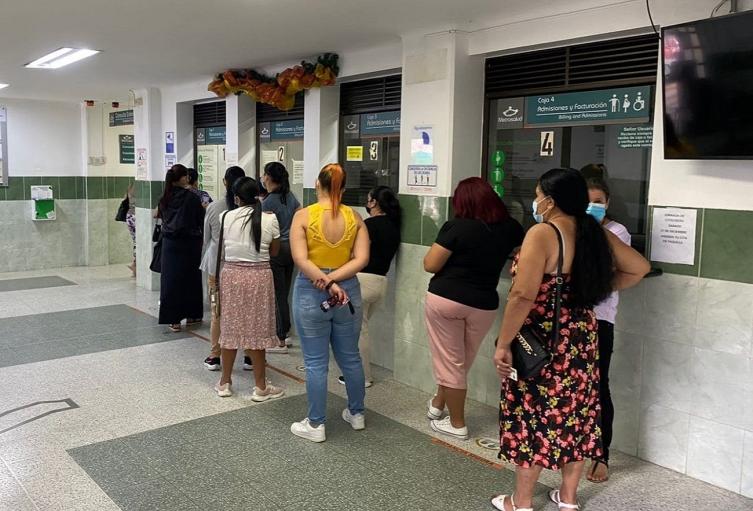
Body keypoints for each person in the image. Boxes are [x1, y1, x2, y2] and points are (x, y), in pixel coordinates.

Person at [491, 168, 650, 511]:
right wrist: (592, 289)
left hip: (543, 341)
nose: (536, 203)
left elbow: (522, 295)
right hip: (582, 339)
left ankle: (521, 502)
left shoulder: (543, 233)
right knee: (577, 414)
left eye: (538, 196)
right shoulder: (593, 232)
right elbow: (639, 268)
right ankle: (568, 498)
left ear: (550, 201)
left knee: (533, 415)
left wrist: (503, 343)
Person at [423, 177, 524, 440]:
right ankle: (438, 405)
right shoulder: (511, 228)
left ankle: (457, 424)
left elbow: (430, 264)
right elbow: (522, 255)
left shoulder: (457, 227)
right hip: (484, 304)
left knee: (451, 362)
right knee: (460, 361)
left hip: (447, 299)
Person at [289, 163, 370, 443]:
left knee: (315, 362)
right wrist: (335, 280)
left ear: (317, 184)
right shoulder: (355, 217)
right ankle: (357, 414)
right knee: (351, 357)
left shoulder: (303, 216)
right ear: (343, 189)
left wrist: (326, 281)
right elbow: (362, 259)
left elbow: (301, 259)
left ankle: (316, 424)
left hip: (311, 290)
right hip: (348, 291)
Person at [214, 177, 285, 400]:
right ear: (259, 195)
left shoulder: (225, 217)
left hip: (231, 276)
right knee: (257, 330)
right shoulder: (270, 219)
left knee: (229, 328)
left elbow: (223, 249)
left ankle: (225, 383)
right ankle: (261, 387)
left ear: (236, 198)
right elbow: (274, 252)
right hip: (260, 277)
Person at [584, 176, 631, 484]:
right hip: (571, 318)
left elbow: (612, 272)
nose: (592, 207)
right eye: (587, 201)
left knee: (599, 385)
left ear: (608, 203)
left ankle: (601, 454)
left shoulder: (617, 232)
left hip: (600, 319)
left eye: (598, 202)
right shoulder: (571, 228)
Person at [338, 186, 401, 388]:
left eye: (368, 199)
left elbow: (355, 253)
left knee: (358, 330)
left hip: (362, 281)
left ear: (374, 203)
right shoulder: (394, 226)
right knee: (360, 328)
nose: (367, 203)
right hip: (380, 283)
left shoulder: (370, 225)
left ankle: (362, 376)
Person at [200, 166, 255, 372]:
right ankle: (249, 356)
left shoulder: (215, 208)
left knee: (217, 312)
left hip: (217, 268)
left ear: (225, 182)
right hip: (245, 267)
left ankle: (215, 356)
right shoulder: (256, 212)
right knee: (246, 312)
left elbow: (207, 239)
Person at [158, 164, 206, 332]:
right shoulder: (192, 198)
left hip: (170, 245)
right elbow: (201, 219)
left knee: (171, 281)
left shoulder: (164, 198)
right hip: (190, 244)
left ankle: (173, 320)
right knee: (191, 279)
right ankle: (193, 315)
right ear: (181, 178)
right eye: (186, 176)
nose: (188, 178)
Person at [261, 162, 302, 353]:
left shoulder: (268, 202)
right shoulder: (290, 196)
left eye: (264, 175)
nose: (262, 178)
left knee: (277, 294)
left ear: (269, 177)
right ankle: (286, 332)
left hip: (276, 250)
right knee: (283, 293)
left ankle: (281, 338)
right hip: (291, 248)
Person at [125, 182, 136, 277]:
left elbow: (125, 198)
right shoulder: (140, 187)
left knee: (135, 242)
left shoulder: (130, 186)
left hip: (129, 216)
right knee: (138, 243)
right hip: (136, 216)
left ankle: (135, 265)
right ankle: (135, 265)